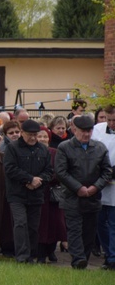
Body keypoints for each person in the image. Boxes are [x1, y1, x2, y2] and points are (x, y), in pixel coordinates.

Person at [56, 115, 112, 269]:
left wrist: (95, 187)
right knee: (74, 229)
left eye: (89, 131)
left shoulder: (99, 148)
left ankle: (84, 258)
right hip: (72, 197)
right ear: (75, 130)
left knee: (89, 230)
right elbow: (61, 172)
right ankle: (78, 258)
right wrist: (78, 188)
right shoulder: (64, 147)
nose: (86, 134)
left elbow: (107, 172)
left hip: (93, 197)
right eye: (83, 131)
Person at [3, 119, 53, 264]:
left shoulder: (43, 149)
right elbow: (10, 169)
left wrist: (38, 181)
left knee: (33, 226)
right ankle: (22, 256)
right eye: (29, 134)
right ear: (22, 133)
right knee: (20, 223)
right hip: (17, 194)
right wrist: (29, 179)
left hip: (36, 194)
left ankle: (31, 254)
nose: (32, 138)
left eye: (35, 135)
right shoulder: (13, 148)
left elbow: (49, 171)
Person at [35, 126, 66, 263]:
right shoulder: (33, 152)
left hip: (53, 195)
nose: (42, 139)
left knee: (55, 224)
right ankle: (40, 254)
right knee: (40, 225)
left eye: (45, 136)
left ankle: (51, 250)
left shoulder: (55, 152)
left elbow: (61, 170)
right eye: (39, 136)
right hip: (38, 193)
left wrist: (50, 177)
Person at [92, 109, 115, 270]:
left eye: (114, 120)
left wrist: (110, 174)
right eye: (109, 119)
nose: (111, 123)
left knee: (113, 223)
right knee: (100, 223)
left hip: (112, 183)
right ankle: (108, 254)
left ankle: (113, 257)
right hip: (99, 183)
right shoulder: (98, 129)